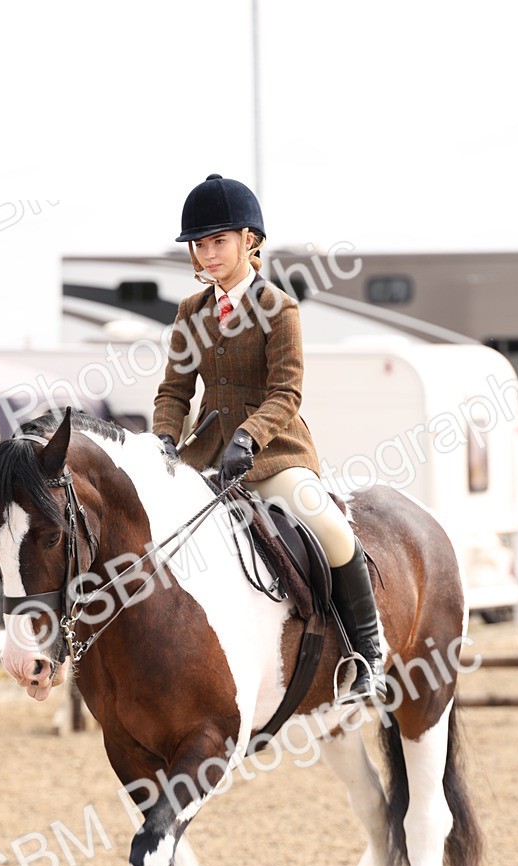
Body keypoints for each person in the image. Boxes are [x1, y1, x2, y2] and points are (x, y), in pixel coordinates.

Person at [152, 173, 386, 703]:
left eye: (218, 241)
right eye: (200, 243)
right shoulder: (191, 312)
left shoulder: (279, 308)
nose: (207, 254)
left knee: (330, 529)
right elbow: (174, 391)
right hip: (206, 456)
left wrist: (249, 438)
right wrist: (164, 439)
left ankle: (369, 653)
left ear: (249, 241)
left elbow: (286, 393)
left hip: (274, 453)